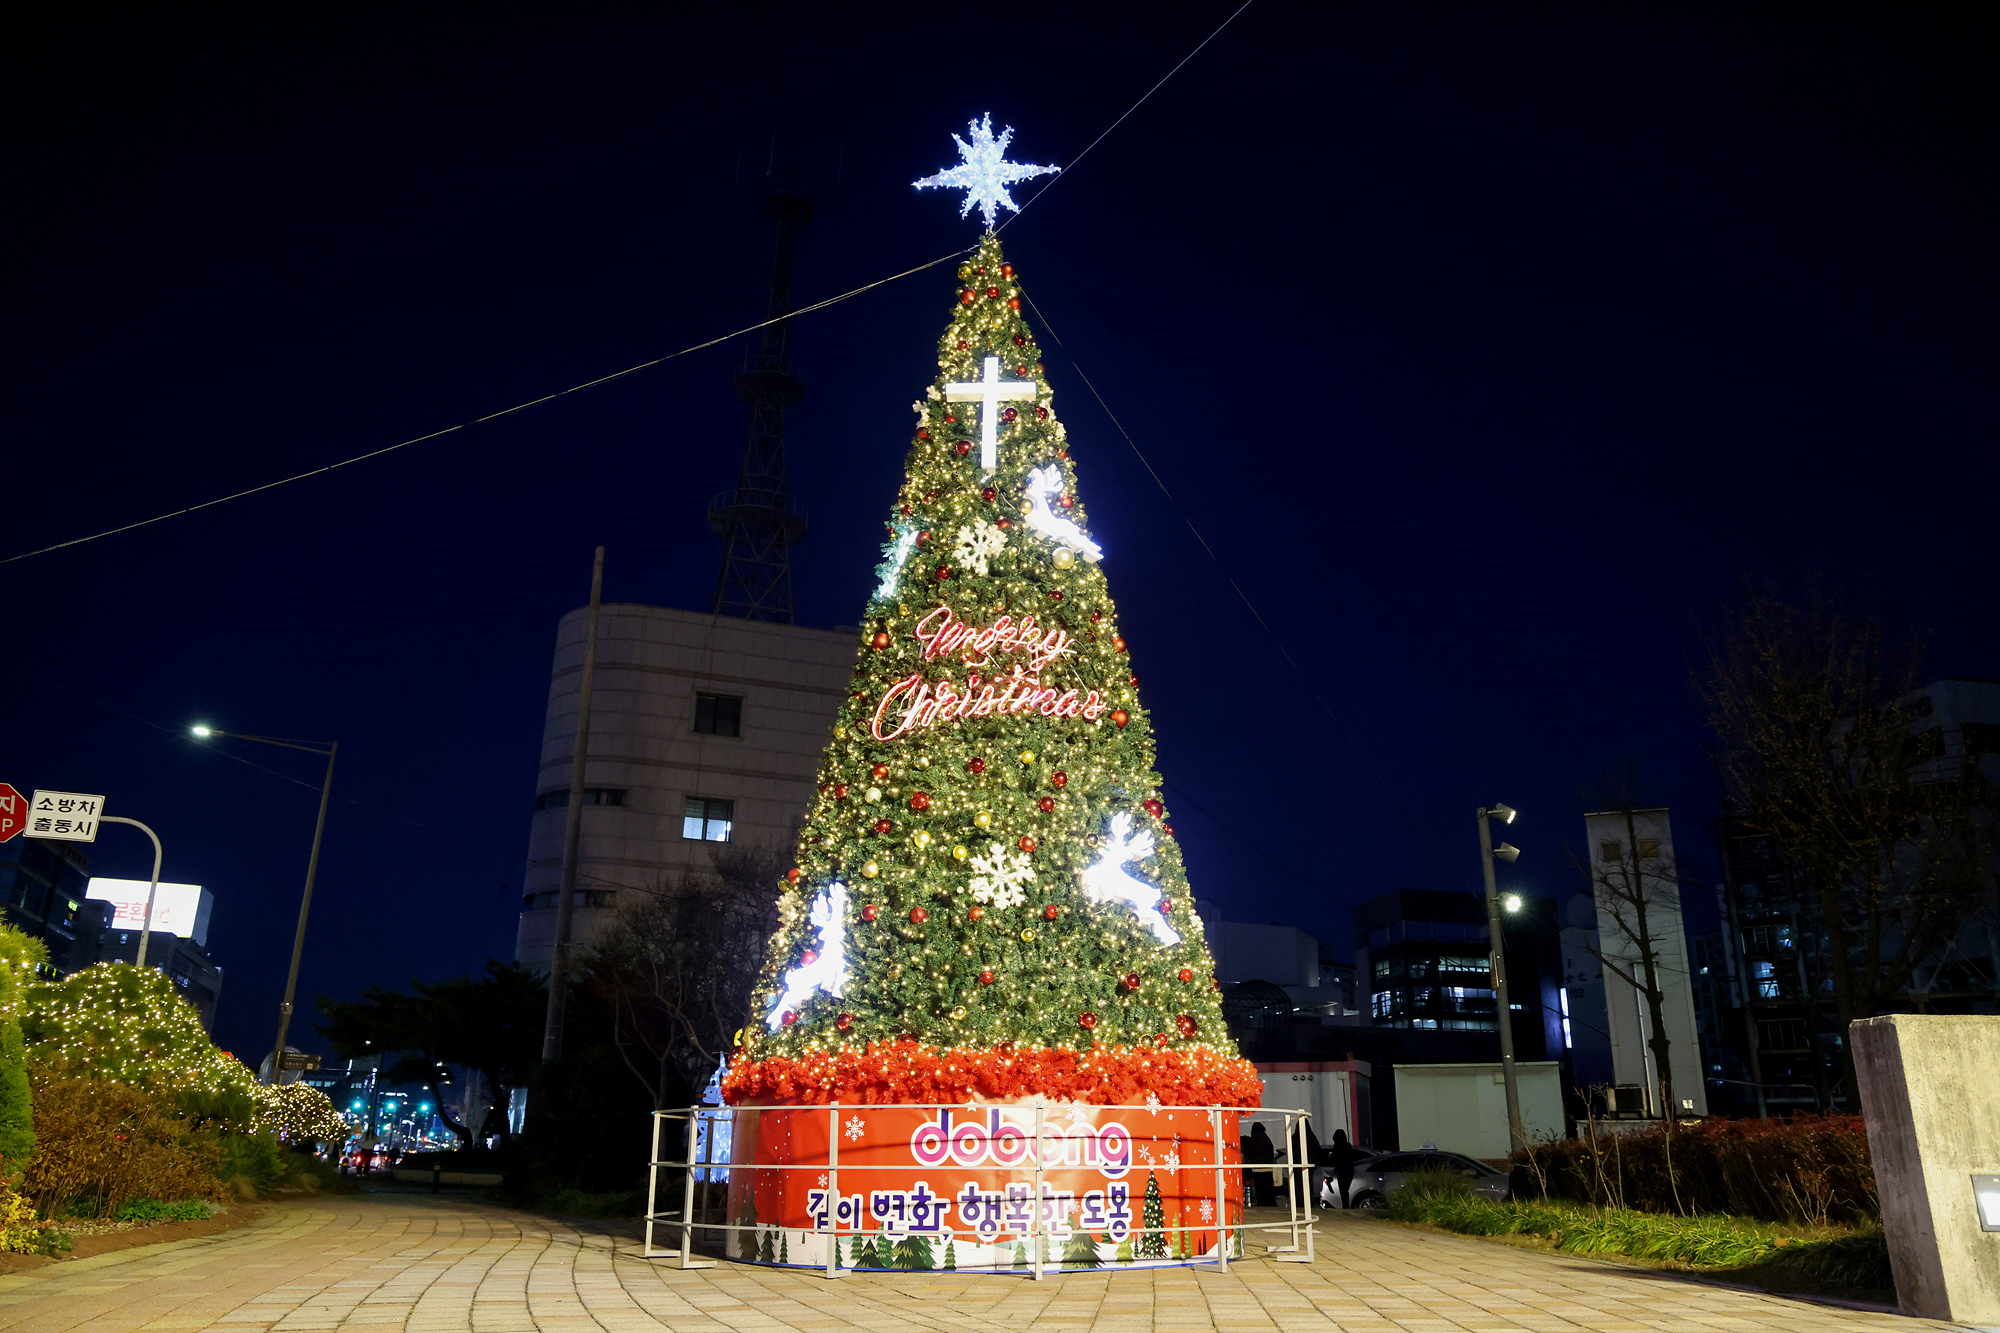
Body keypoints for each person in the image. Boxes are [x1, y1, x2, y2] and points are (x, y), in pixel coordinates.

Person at [1325, 1127, 1370, 1209]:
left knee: (1343, 1190)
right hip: (1349, 1170)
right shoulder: (1348, 1146)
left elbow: (1336, 1159)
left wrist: (1331, 1157)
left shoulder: (1337, 1147)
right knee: (1345, 1190)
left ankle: (1345, 1205)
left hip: (1341, 1171)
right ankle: (1346, 1205)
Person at [1245, 1122, 1278, 1207]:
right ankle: (1271, 1204)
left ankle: (1262, 1205)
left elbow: (1249, 1155)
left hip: (1257, 1169)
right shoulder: (1267, 1140)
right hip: (1268, 1169)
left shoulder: (1252, 1141)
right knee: (1269, 1189)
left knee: (1260, 1190)